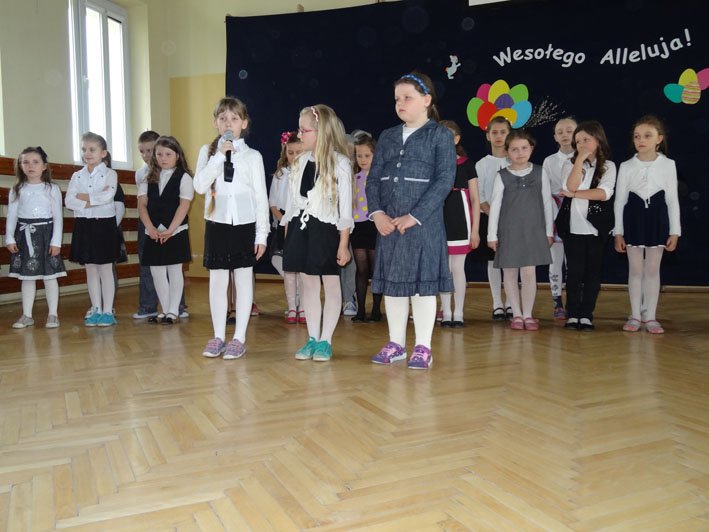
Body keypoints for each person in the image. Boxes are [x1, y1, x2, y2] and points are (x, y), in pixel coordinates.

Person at [366, 72, 456, 369]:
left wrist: (414, 216)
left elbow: (444, 180)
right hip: (389, 225)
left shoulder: (440, 135)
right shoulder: (388, 136)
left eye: (408, 97)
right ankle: (395, 344)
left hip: (423, 226)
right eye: (397, 98)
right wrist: (377, 213)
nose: (400, 103)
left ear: (427, 100)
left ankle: (423, 347)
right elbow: (373, 179)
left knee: (422, 287)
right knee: (393, 286)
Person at [193, 97, 269, 359]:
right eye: (223, 118)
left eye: (234, 118)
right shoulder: (208, 152)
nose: (228, 123)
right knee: (217, 281)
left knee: (243, 280)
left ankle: (239, 338)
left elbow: (260, 196)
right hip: (217, 223)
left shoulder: (253, 156)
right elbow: (199, 186)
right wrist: (218, 157)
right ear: (215, 123)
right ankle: (217, 336)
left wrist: (262, 234)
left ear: (244, 123)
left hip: (245, 225)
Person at [281, 104, 353, 361]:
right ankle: (312, 337)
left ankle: (326, 340)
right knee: (308, 284)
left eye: (304, 130)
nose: (300, 135)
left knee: (330, 283)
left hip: (326, 230)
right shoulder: (299, 162)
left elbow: (345, 210)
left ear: (321, 132)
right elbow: (292, 204)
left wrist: (343, 244)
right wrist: (289, 237)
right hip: (301, 229)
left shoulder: (340, 163)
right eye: (299, 130)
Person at [614, 115, 680, 334]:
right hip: (633, 220)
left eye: (647, 136)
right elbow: (620, 201)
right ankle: (635, 315)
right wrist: (618, 232)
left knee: (652, 270)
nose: (641, 140)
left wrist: (675, 231)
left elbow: (672, 200)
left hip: (657, 221)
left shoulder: (668, 165)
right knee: (635, 270)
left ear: (659, 139)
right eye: (637, 136)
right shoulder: (626, 166)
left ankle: (650, 316)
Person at [488, 130, 553, 330]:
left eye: (524, 148)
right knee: (509, 272)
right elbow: (495, 206)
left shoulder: (540, 172)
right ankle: (516, 314)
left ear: (531, 149)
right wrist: (491, 235)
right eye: (514, 149)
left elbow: (547, 203)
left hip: (533, 230)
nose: (520, 153)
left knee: (529, 273)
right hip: (509, 231)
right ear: (507, 152)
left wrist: (549, 231)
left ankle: (527, 314)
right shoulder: (502, 176)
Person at [559, 121, 617, 331]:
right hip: (573, 229)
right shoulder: (570, 164)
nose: (582, 144)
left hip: (595, 229)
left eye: (586, 139)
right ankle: (573, 313)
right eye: (578, 141)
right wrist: (579, 162)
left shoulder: (608, 166)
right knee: (574, 273)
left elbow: (603, 194)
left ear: (598, 140)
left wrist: (574, 195)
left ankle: (586, 314)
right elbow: (569, 185)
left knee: (593, 273)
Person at [6, 147, 67, 328]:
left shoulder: (52, 188)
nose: (30, 166)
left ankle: (53, 314)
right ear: (20, 165)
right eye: (25, 162)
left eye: (35, 162)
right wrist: (9, 238)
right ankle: (27, 315)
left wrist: (56, 241)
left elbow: (58, 217)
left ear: (44, 166)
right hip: (24, 236)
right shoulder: (17, 189)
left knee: (50, 276)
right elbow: (12, 215)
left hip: (46, 236)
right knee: (27, 277)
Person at [65, 132, 121, 327]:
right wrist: (92, 200)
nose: (87, 153)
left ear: (103, 153)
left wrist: (83, 197)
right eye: (84, 149)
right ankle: (96, 308)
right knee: (90, 269)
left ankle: (107, 311)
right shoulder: (77, 175)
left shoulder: (110, 174)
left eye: (92, 149)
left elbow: (107, 197)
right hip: (84, 224)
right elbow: (69, 200)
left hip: (104, 225)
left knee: (105, 268)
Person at [138, 136, 194, 324]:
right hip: (153, 231)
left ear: (177, 155)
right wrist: (150, 228)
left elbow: (184, 206)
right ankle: (165, 308)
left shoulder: (184, 177)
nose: (163, 158)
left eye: (168, 154)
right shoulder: (148, 177)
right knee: (157, 271)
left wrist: (170, 230)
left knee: (174, 270)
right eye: (159, 154)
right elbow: (142, 205)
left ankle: (173, 311)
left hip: (175, 231)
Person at [439, 120, 480, 328]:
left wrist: (475, 231)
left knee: (457, 268)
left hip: (461, 221)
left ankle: (459, 312)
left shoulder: (467, 165)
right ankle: (446, 312)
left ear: (456, 139)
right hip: (439, 222)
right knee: (444, 269)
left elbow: (475, 200)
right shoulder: (433, 164)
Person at [475, 116, 512, 320]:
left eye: (503, 132)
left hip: (512, 219)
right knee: (493, 261)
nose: (499, 136)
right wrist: (493, 214)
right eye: (494, 132)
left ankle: (511, 303)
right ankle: (497, 303)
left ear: (509, 134)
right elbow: (479, 195)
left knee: (511, 261)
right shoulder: (482, 164)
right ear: (488, 136)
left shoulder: (515, 161)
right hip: (489, 219)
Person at [542, 117, 577, 320]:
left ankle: (573, 299)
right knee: (555, 260)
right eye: (560, 132)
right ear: (555, 137)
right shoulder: (549, 161)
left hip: (577, 211)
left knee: (574, 261)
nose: (565, 135)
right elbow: (545, 194)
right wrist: (550, 223)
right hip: (555, 212)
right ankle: (557, 301)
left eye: (569, 130)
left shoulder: (584, 158)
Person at [270, 131, 305, 323]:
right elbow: (273, 203)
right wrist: (284, 220)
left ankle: (304, 307)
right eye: (291, 153)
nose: (294, 156)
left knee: (304, 268)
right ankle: (292, 307)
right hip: (284, 221)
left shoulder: (310, 172)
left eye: (298, 152)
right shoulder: (280, 174)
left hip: (303, 222)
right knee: (287, 267)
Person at [350, 133, 383, 322]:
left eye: (367, 156)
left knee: (376, 269)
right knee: (361, 269)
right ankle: (361, 310)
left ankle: (376, 309)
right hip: (358, 227)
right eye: (359, 156)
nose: (362, 159)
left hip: (375, 225)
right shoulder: (354, 178)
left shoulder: (380, 178)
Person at [132, 130, 160, 319]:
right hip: (146, 222)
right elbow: (142, 202)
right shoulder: (140, 173)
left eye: (149, 150)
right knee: (146, 264)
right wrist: (148, 224)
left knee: (171, 265)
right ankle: (148, 306)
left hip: (168, 223)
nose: (145, 155)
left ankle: (178, 306)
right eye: (142, 151)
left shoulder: (170, 169)